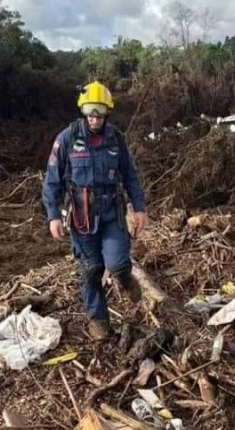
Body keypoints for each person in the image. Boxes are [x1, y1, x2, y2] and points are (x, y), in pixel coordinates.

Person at [41, 80, 147, 341]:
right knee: (91, 269)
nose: (95, 119)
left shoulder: (116, 139)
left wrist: (139, 207)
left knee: (117, 263)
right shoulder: (67, 138)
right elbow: (52, 179)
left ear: (107, 112)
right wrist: (53, 215)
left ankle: (126, 278)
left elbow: (130, 175)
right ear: (83, 111)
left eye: (99, 113)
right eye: (90, 113)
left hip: (112, 212)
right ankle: (98, 319)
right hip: (81, 216)